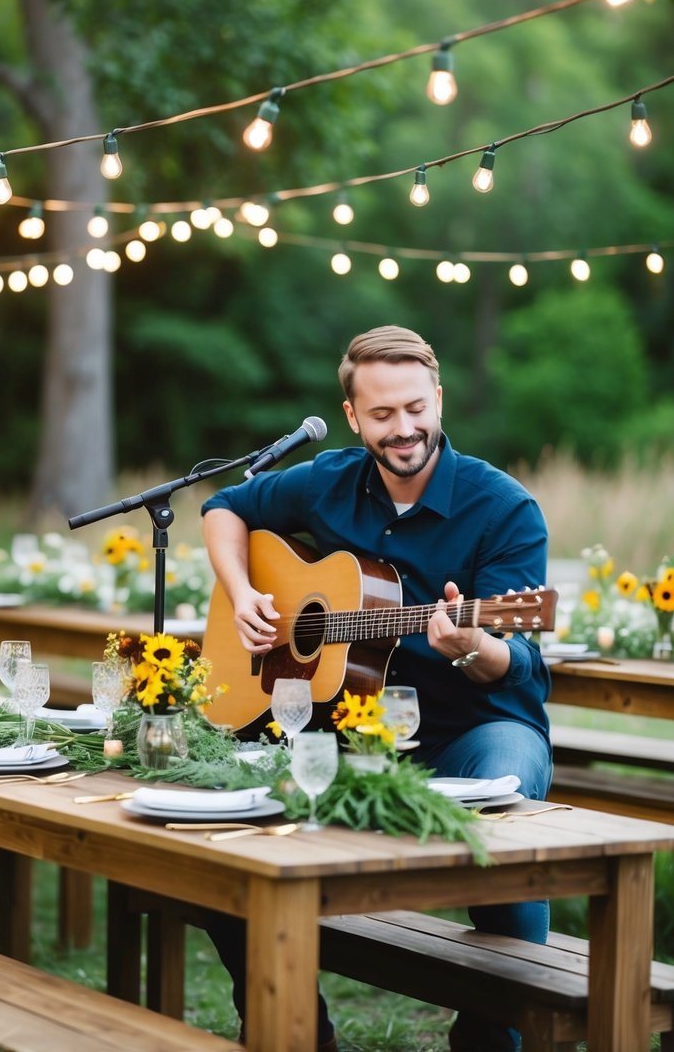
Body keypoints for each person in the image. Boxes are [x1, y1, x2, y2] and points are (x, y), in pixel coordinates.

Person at [200, 324, 553, 1052]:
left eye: (416, 408)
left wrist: (470, 645)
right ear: (353, 414)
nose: (405, 429)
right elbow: (223, 508)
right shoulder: (325, 480)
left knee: (509, 800)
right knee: (220, 829)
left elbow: (515, 660)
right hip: (337, 725)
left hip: (471, 723)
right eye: (383, 414)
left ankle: (493, 1033)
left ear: (438, 400)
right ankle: (295, 1031)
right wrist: (240, 593)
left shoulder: (504, 508)